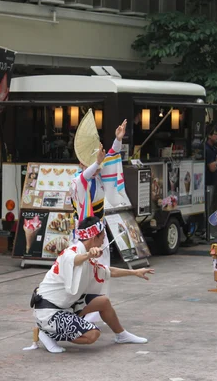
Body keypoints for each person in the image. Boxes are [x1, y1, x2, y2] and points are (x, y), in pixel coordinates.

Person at [30, 216, 153, 354]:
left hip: (67, 306)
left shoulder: (88, 257)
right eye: (102, 237)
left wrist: (135, 272)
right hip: (49, 311)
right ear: (94, 237)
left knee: (104, 302)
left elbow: (108, 271)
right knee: (92, 334)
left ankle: (121, 335)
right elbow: (75, 260)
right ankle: (47, 333)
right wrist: (88, 255)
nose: (103, 242)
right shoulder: (70, 253)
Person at [70, 113, 129, 322]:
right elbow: (87, 175)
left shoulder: (100, 177)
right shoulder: (77, 181)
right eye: (91, 163)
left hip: (99, 235)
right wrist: (95, 164)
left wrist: (118, 139)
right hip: (83, 237)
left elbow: (112, 157)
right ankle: (77, 311)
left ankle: (95, 312)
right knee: (81, 275)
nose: (96, 167)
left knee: (101, 272)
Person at [204, 128, 217, 240]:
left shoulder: (214, 148)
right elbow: (212, 167)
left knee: (210, 205)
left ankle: (206, 230)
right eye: (215, 134)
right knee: (207, 206)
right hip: (207, 181)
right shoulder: (207, 149)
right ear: (209, 136)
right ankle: (205, 231)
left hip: (212, 181)